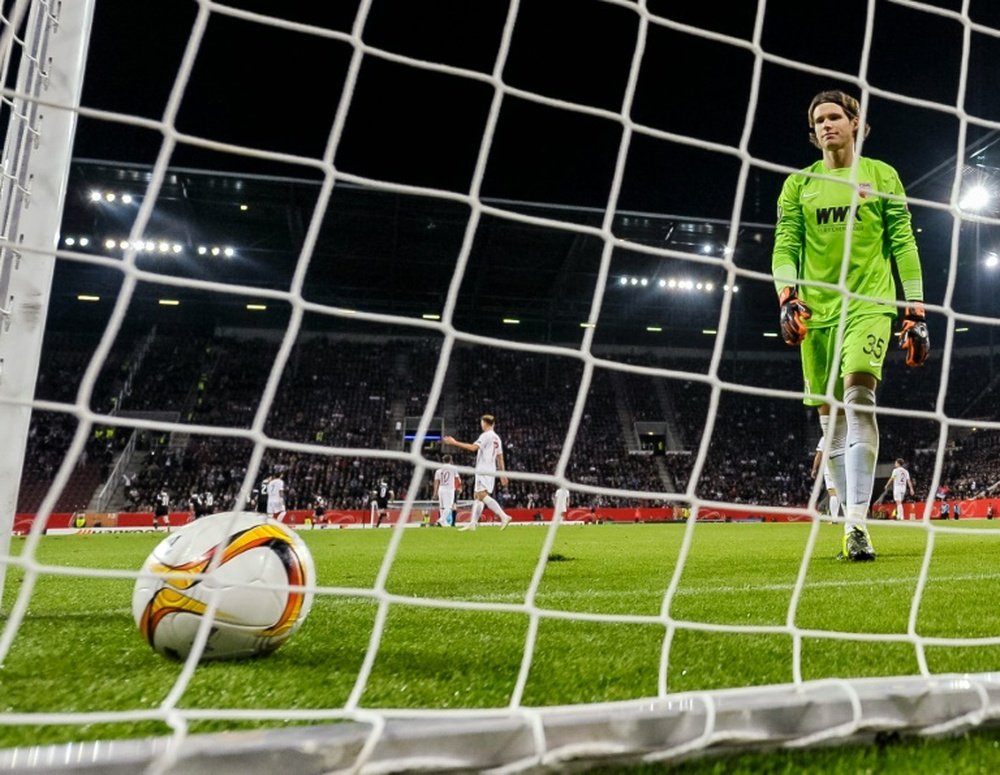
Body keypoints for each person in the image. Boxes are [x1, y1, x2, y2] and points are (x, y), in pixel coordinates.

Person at [771, 89, 929, 562]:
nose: (826, 125)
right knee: (830, 422)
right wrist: (787, 296)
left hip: (869, 305)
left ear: (855, 122)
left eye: (834, 116)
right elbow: (785, 248)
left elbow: (903, 244)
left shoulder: (882, 176)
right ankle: (848, 523)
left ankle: (857, 524)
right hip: (817, 316)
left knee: (859, 398)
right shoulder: (799, 185)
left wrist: (915, 310)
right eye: (818, 119)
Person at [443, 414, 513, 531]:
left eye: (481, 422)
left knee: (481, 495)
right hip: (491, 469)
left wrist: (454, 442)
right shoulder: (497, 438)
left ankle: (503, 516)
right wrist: (502, 474)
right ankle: (473, 523)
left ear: (485, 423)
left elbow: (473, 448)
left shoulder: (485, 436)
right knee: (477, 496)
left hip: (483, 469)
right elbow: (500, 457)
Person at [811, 435, 841, 520]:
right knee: (839, 494)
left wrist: (814, 469)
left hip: (829, 468)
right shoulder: (843, 437)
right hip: (841, 468)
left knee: (832, 493)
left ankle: (834, 518)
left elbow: (819, 455)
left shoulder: (824, 438)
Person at [432, 454, 461, 527]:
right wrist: (459, 487)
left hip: (441, 489)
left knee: (442, 507)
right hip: (449, 489)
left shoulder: (438, 470)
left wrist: (435, 492)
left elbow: (436, 482)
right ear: (450, 460)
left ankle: (443, 523)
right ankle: (441, 520)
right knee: (449, 507)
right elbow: (457, 479)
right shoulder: (453, 468)